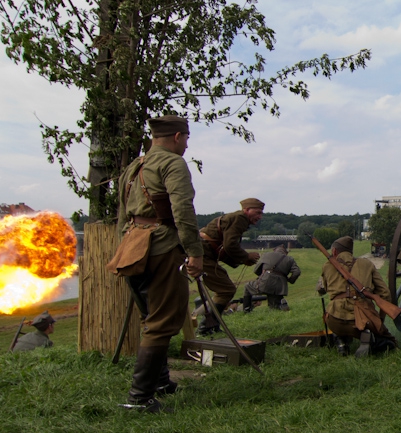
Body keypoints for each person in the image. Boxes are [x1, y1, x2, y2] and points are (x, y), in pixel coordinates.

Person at [116, 115, 204, 413]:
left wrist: (124, 246)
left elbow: (124, 213)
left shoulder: (134, 166)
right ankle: (139, 399)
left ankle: (161, 383)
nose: (187, 144)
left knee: (150, 319)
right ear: (178, 136)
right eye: (187, 138)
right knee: (163, 320)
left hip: (133, 245)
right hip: (162, 246)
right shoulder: (173, 163)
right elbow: (182, 209)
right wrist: (195, 251)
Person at [317, 236, 398, 357]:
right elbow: (385, 294)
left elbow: (322, 290)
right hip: (362, 321)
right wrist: (379, 321)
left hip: (334, 321)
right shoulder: (367, 264)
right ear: (351, 252)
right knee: (390, 342)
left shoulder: (327, 266)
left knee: (334, 315)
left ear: (334, 251)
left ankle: (341, 341)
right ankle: (368, 337)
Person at [197, 198, 264, 334]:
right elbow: (230, 245)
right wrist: (246, 256)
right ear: (246, 210)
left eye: (261, 213)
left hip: (204, 253)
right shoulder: (240, 218)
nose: (260, 216)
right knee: (226, 290)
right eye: (257, 212)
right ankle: (205, 328)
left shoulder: (237, 218)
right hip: (201, 255)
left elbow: (225, 246)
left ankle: (212, 326)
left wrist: (241, 259)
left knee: (226, 289)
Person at [242, 244, 301, 312]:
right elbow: (297, 272)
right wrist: (291, 280)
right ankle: (280, 308)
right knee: (274, 308)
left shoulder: (267, 254)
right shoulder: (290, 259)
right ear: (286, 252)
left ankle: (247, 310)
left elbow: (256, 270)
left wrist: (262, 276)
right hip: (280, 287)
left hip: (265, 282)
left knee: (247, 286)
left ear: (274, 250)